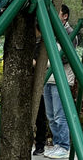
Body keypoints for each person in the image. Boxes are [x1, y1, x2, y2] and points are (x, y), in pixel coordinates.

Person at [43, 4, 76, 160]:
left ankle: (64, 146)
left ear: (65, 16)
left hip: (61, 80)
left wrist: (46, 61)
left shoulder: (70, 33)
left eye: (58, 14)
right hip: (48, 78)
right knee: (50, 115)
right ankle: (57, 144)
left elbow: (64, 57)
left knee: (59, 115)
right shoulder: (50, 31)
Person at [33, 25, 49, 156]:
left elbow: (42, 63)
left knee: (40, 117)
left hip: (40, 84)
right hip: (32, 82)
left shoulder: (42, 43)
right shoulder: (33, 42)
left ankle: (40, 145)